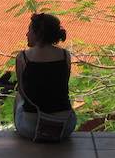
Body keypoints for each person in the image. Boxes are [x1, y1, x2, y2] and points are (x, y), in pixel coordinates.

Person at [14, 13, 78, 141]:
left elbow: (22, 89)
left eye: (29, 30)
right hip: (64, 128)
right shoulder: (65, 55)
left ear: (38, 34)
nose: (27, 34)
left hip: (31, 129)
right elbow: (63, 84)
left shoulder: (23, 57)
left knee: (18, 96)